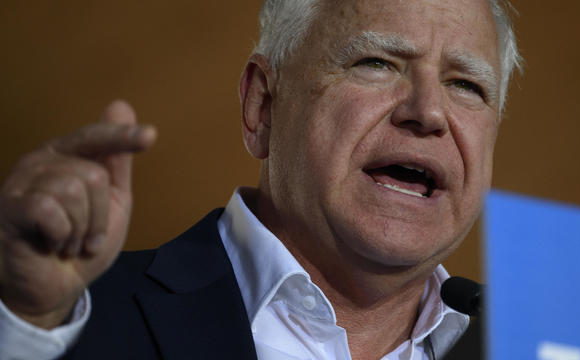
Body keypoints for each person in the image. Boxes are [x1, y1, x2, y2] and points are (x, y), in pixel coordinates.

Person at [0, 0, 521, 358]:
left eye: (467, 85)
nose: (428, 111)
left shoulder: (533, 344)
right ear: (263, 107)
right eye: (377, 63)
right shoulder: (60, 319)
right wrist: (25, 323)